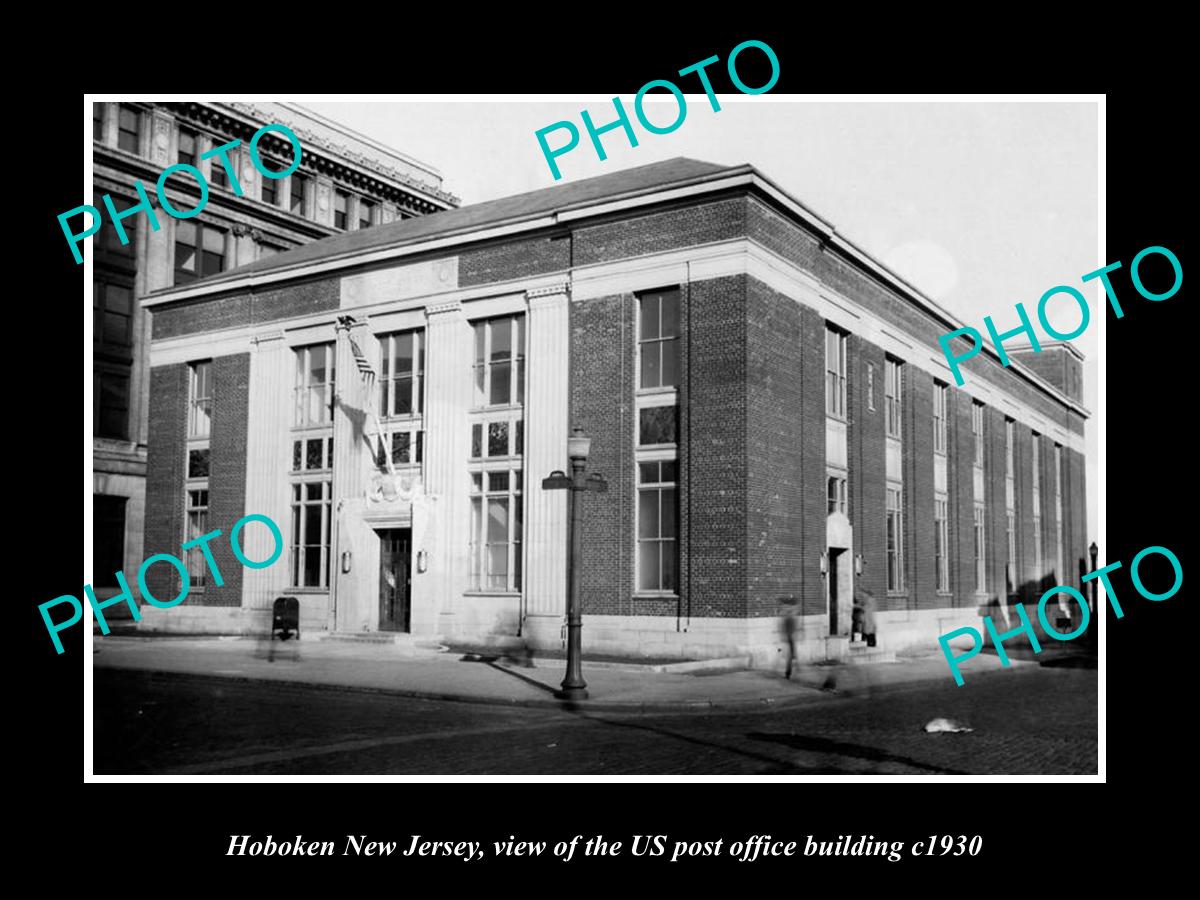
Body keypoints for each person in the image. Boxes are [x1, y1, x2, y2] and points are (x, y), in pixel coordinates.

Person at [780, 596, 799, 679]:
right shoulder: (790, 619)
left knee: (791, 655)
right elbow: (791, 629)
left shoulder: (790, 619)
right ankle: (790, 671)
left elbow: (789, 629)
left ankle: (789, 672)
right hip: (790, 638)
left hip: (790, 637)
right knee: (791, 655)